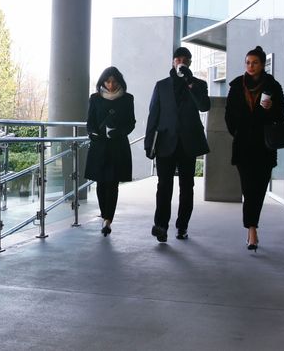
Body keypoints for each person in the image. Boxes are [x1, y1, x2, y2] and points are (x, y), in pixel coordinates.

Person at [144, 47, 210, 243]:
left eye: (184, 59)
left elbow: (204, 106)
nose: (180, 61)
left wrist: (190, 82)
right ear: (173, 62)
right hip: (165, 142)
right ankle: (161, 225)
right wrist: (149, 143)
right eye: (177, 58)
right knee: (164, 186)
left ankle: (182, 226)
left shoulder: (198, 84)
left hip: (188, 143)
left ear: (189, 62)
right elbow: (153, 115)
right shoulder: (161, 85)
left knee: (187, 187)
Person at [225, 45, 284, 252]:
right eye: (248, 63)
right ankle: (252, 230)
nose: (250, 66)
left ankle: (252, 227)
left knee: (259, 189)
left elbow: (282, 117)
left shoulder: (273, 86)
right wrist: (239, 132)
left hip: (264, 146)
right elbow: (229, 117)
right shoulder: (236, 86)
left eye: (255, 63)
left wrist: (271, 110)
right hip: (243, 145)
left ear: (262, 65)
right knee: (248, 188)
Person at [84, 66, 135, 237]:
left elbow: (131, 122)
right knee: (100, 183)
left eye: (114, 81)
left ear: (119, 81)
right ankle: (104, 214)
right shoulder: (95, 98)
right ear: (103, 82)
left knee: (112, 184)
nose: (111, 84)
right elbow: (89, 122)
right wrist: (93, 133)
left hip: (117, 146)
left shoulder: (127, 99)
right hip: (99, 145)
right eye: (108, 81)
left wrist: (119, 132)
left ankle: (108, 220)